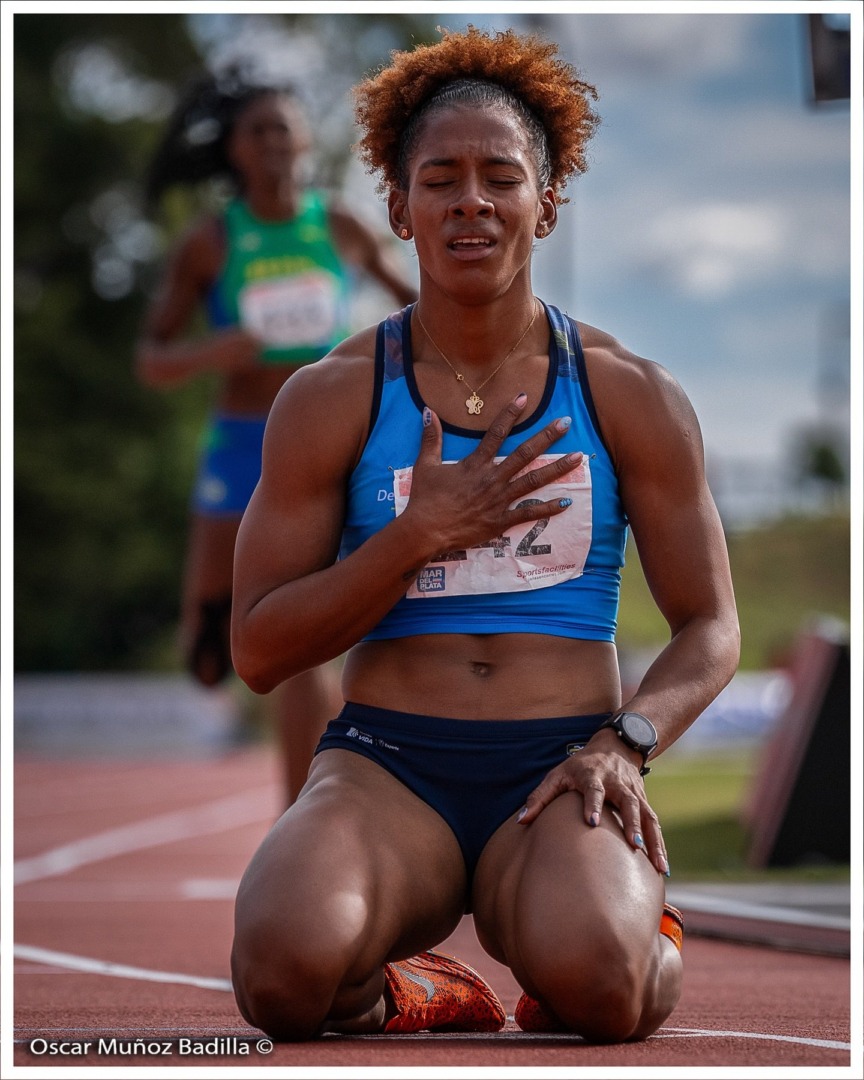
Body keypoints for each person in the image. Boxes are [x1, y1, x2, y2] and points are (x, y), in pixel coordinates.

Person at [229, 26, 740, 1042]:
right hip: (386, 767)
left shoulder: (626, 394)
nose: (471, 200)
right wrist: (412, 536)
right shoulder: (330, 399)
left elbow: (710, 628)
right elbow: (258, 647)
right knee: (282, 978)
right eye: (441, 177)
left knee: (605, 989)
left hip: (560, 770)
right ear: (397, 204)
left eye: (500, 176)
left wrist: (624, 746)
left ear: (545, 203)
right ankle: (415, 989)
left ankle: (625, 933)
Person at [134, 69, 418, 808]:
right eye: (255, 131)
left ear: (305, 140)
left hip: (321, 441)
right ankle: (209, 629)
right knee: (208, 652)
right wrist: (210, 351)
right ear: (233, 148)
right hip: (238, 441)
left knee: (298, 645)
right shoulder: (210, 241)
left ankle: (303, 818)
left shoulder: (340, 227)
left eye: (282, 128)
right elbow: (152, 358)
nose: (271, 143)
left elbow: (417, 307)